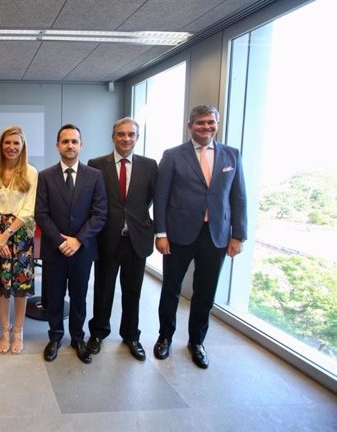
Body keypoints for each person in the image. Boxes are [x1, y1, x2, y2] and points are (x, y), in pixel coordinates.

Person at [153, 105, 247, 369]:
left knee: (205, 292)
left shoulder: (232, 155)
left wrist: (238, 235)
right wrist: (161, 233)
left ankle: (197, 341)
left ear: (217, 124)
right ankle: (165, 337)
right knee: (171, 289)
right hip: (178, 234)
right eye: (201, 123)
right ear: (190, 126)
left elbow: (238, 197)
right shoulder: (173, 155)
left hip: (216, 235)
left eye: (211, 123)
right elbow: (161, 197)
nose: (206, 127)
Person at [86, 117, 157, 361]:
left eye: (131, 134)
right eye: (121, 134)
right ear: (113, 136)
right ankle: (97, 333)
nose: (126, 139)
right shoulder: (96, 165)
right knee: (103, 289)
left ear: (137, 138)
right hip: (107, 238)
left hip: (136, 239)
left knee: (132, 290)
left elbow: (151, 199)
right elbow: (92, 201)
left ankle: (131, 336)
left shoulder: (150, 166)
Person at [35, 124, 107, 364]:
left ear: (81, 145)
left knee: (79, 296)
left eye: (74, 141)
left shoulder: (94, 176)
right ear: (57, 145)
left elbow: (99, 214)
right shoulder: (44, 176)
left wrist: (78, 240)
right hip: (54, 250)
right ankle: (55, 337)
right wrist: (59, 241)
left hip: (82, 250)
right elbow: (41, 213)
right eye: (65, 141)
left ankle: (78, 337)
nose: (70, 145)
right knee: (54, 297)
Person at [0, 125, 38, 355]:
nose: (12, 147)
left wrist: (6, 236)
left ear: (22, 145)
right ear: (1, 145)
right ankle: (5, 330)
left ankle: (19, 332)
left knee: (20, 287)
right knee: (2, 286)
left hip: (20, 234)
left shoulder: (31, 172)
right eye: (7, 142)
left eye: (16, 143)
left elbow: (28, 209)